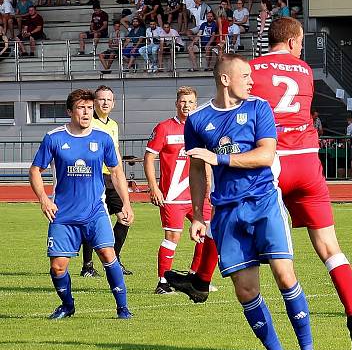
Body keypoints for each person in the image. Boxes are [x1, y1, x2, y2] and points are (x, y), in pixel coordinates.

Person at [172, 21, 352, 350]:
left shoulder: (255, 70)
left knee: (234, 204)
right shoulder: (305, 69)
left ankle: (202, 279)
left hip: (272, 162)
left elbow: (238, 108)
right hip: (308, 162)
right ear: (294, 41)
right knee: (330, 248)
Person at [179, 53, 326, 350]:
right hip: (227, 212)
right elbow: (197, 169)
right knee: (245, 291)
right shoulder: (198, 120)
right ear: (224, 79)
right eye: (244, 75)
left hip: (264, 203)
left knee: (285, 276)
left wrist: (218, 157)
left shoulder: (259, 108)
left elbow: (266, 155)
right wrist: (199, 215)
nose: (251, 80)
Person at [28, 88, 134, 320]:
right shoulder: (54, 138)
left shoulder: (102, 138)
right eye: (80, 108)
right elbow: (35, 170)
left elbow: (116, 172)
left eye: (89, 107)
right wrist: (44, 199)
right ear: (70, 111)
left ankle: (123, 308)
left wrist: (126, 202)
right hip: (63, 214)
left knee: (108, 254)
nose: (86, 112)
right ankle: (67, 305)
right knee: (58, 266)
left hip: (95, 211)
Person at [145, 87, 215, 294]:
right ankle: (163, 283)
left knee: (208, 234)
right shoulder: (164, 128)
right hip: (173, 196)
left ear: (196, 104)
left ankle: (196, 277)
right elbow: (149, 158)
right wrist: (154, 187)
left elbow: (206, 159)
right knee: (172, 238)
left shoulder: (201, 128)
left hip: (198, 194)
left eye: (191, 102)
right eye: (183, 102)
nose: (186, 106)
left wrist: (209, 184)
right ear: (177, 104)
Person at [80, 86, 133, 277]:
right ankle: (87, 265)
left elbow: (115, 152)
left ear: (113, 103)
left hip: (111, 177)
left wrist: (120, 174)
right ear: (94, 102)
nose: (105, 103)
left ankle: (113, 259)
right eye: (101, 99)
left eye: (108, 100)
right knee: (91, 221)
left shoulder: (113, 125)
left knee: (125, 218)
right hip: (93, 177)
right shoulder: (89, 123)